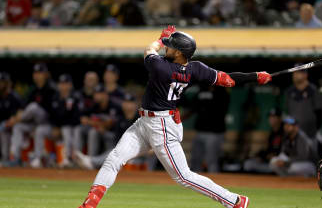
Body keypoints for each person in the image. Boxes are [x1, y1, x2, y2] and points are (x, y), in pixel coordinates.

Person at [76, 25, 272, 208]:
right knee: (114, 158)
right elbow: (228, 79)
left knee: (184, 177)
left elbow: (148, 50)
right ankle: (90, 203)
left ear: (179, 53)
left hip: (161, 125)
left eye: (171, 47)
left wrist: (161, 39)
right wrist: (256, 76)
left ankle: (235, 201)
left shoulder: (161, 67)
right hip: (146, 122)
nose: (167, 49)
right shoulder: (195, 68)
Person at [9, 63, 56, 168]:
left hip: (48, 124)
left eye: (40, 72)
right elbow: (22, 107)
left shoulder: (52, 89)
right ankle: (15, 158)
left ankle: (37, 159)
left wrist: (17, 118)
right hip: (34, 124)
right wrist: (18, 116)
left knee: (34, 107)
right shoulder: (33, 90)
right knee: (18, 127)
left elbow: (55, 112)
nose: (37, 75)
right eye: (35, 73)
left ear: (46, 74)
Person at [73, 93, 138, 170]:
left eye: (130, 103)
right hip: (123, 149)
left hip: (138, 150)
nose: (128, 105)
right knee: (114, 148)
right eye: (126, 102)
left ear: (136, 105)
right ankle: (92, 161)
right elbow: (117, 139)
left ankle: (91, 161)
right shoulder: (121, 119)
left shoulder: (140, 119)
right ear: (123, 104)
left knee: (117, 151)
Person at [188, 85, 230, 173]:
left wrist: (205, 102)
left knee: (211, 160)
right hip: (200, 130)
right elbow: (193, 106)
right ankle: (196, 182)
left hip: (215, 132)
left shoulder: (222, 92)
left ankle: (214, 183)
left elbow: (219, 109)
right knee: (195, 159)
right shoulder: (202, 89)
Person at [74, 85, 122, 157]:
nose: (96, 96)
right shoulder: (94, 105)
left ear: (105, 95)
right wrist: (95, 124)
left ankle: (90, 160)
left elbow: (109, 124)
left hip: (113, 134)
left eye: (99, 94)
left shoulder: (113, 106)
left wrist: (91, 122)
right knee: (78, 129)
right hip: (99, 130)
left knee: (93, 131)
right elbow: (83, 119)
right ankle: (77, 158)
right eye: (95, 94)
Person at [49, 74, 80, 167]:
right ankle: (61, 159)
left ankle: (74, 159)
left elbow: (76, 116)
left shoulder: (75, 97)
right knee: (64, 130)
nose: (64, 86)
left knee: (71, 131)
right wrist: (55, 126)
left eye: (66, 84)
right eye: (61, 84)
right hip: (59, 127)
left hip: (74, 126)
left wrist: (61, 125)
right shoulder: (55, 98)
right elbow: (52, 115)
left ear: (70, 85)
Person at [284, 69, 322, 142]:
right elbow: (287, 114)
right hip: (294, 134)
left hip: (311, 134)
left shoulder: (313, 90)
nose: (295, 75)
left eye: (298, 72)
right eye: (294, 72)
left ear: (305, 75)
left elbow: (319, 113)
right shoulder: (289, 91)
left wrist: (315, 130)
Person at [243, 107, 284, 174]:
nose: (271, 119)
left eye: (274, 117)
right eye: (270, 117)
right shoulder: (272, 133)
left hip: (278, 162)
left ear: (279, 118)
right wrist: (259, 156)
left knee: (274, 164)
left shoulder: (283, 132)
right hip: (268, 162)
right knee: (248, 164)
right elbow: (268, 150)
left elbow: (283, 151)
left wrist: (272, 156)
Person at [0, 72, 23, 165]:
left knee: (3, 129)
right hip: (4, 125)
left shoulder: (14, 97)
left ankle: (9, 159)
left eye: (2, 82)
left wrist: (11, 121)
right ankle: (4, 158)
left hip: (14, 124)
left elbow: (20, 113)